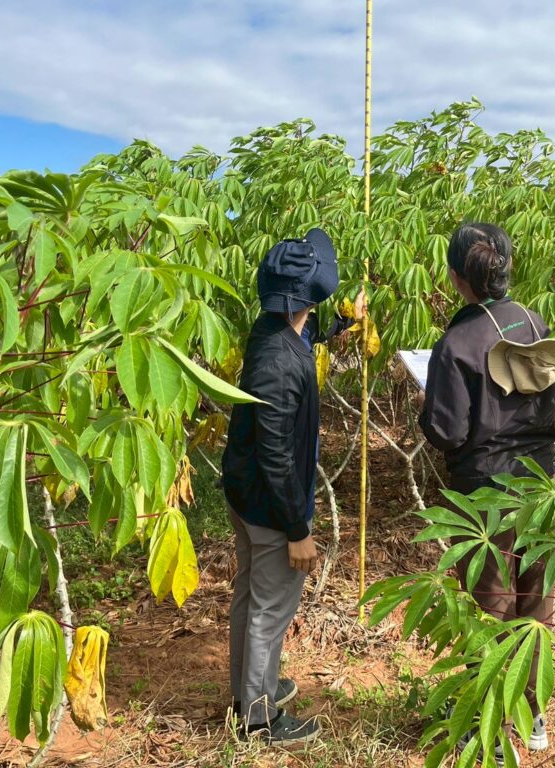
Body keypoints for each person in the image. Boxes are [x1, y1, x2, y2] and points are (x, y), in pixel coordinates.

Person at [419, 222, 555, 760]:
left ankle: (491, 728)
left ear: (457, 277)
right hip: (541, 481)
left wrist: (426, 405)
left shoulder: (456, 343)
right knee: (534, 598)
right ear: (506, 266)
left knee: (491, 602)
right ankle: (533, 711)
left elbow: (447, 431)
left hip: (484, 492)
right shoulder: (532, 320)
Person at [221, 227, 362, 745]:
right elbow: (276, 456)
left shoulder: (273, 328)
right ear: (311, 294)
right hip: (270, 504)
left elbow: (307, 335)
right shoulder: (280, 365)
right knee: (270, 609)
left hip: (247, 492)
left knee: (251, 597)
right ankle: (257, 720)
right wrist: (297, 529)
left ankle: (249, 691)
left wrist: (345, 323)